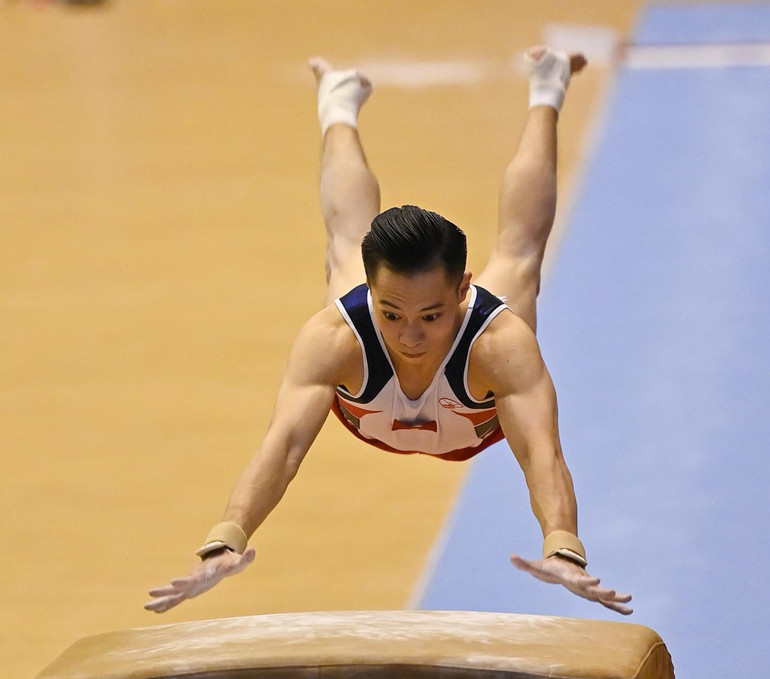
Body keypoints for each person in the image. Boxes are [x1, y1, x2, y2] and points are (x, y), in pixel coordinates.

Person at [145, 47, 632, 617]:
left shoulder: (499, 344)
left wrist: (562, 546)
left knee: (521, 253)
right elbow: (282, 447)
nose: (410, 335)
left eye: (431, 316)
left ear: (461, 291)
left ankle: (547, 88)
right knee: (346, 247)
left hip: (475, 411)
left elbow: (542, 453)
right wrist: (228, 537)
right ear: (375, 297)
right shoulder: (337, 336)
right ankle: (338, 101)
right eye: (391, 312)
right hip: (383, 386)